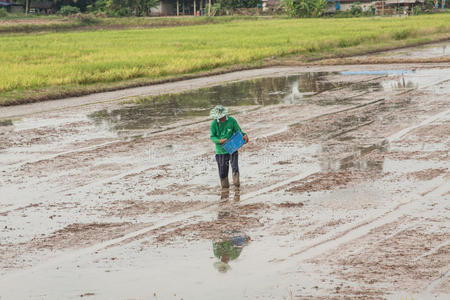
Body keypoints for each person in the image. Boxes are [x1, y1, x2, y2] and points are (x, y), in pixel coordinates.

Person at [209, 105, 248, 189]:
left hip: (232, 148)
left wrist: (245, 136)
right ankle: (225, 187)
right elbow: (212, 137)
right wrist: (219, 141)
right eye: (218, 117)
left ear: (224, 114)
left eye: (221, 117)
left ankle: (237, 186)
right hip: (220, 151)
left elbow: (239, 132)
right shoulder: (213, 124)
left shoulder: (232, 121)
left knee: (235, 168)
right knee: (223, 172)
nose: (219, 118)